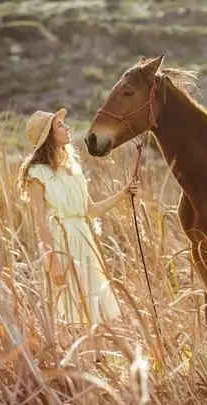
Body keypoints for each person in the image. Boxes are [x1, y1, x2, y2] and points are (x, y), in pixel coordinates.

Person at [16, 108, 138, 332]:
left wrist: (123, 193)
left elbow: (89, 210)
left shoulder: (74, 170)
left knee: (93, 304)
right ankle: (74, 358)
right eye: (60, 125)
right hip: (60, 242)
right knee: (71, 304)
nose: (67, 128)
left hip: (84, 238)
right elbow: (40, 222)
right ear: (48, 137)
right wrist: (53, 259)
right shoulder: (37, 173)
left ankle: (96, 360)